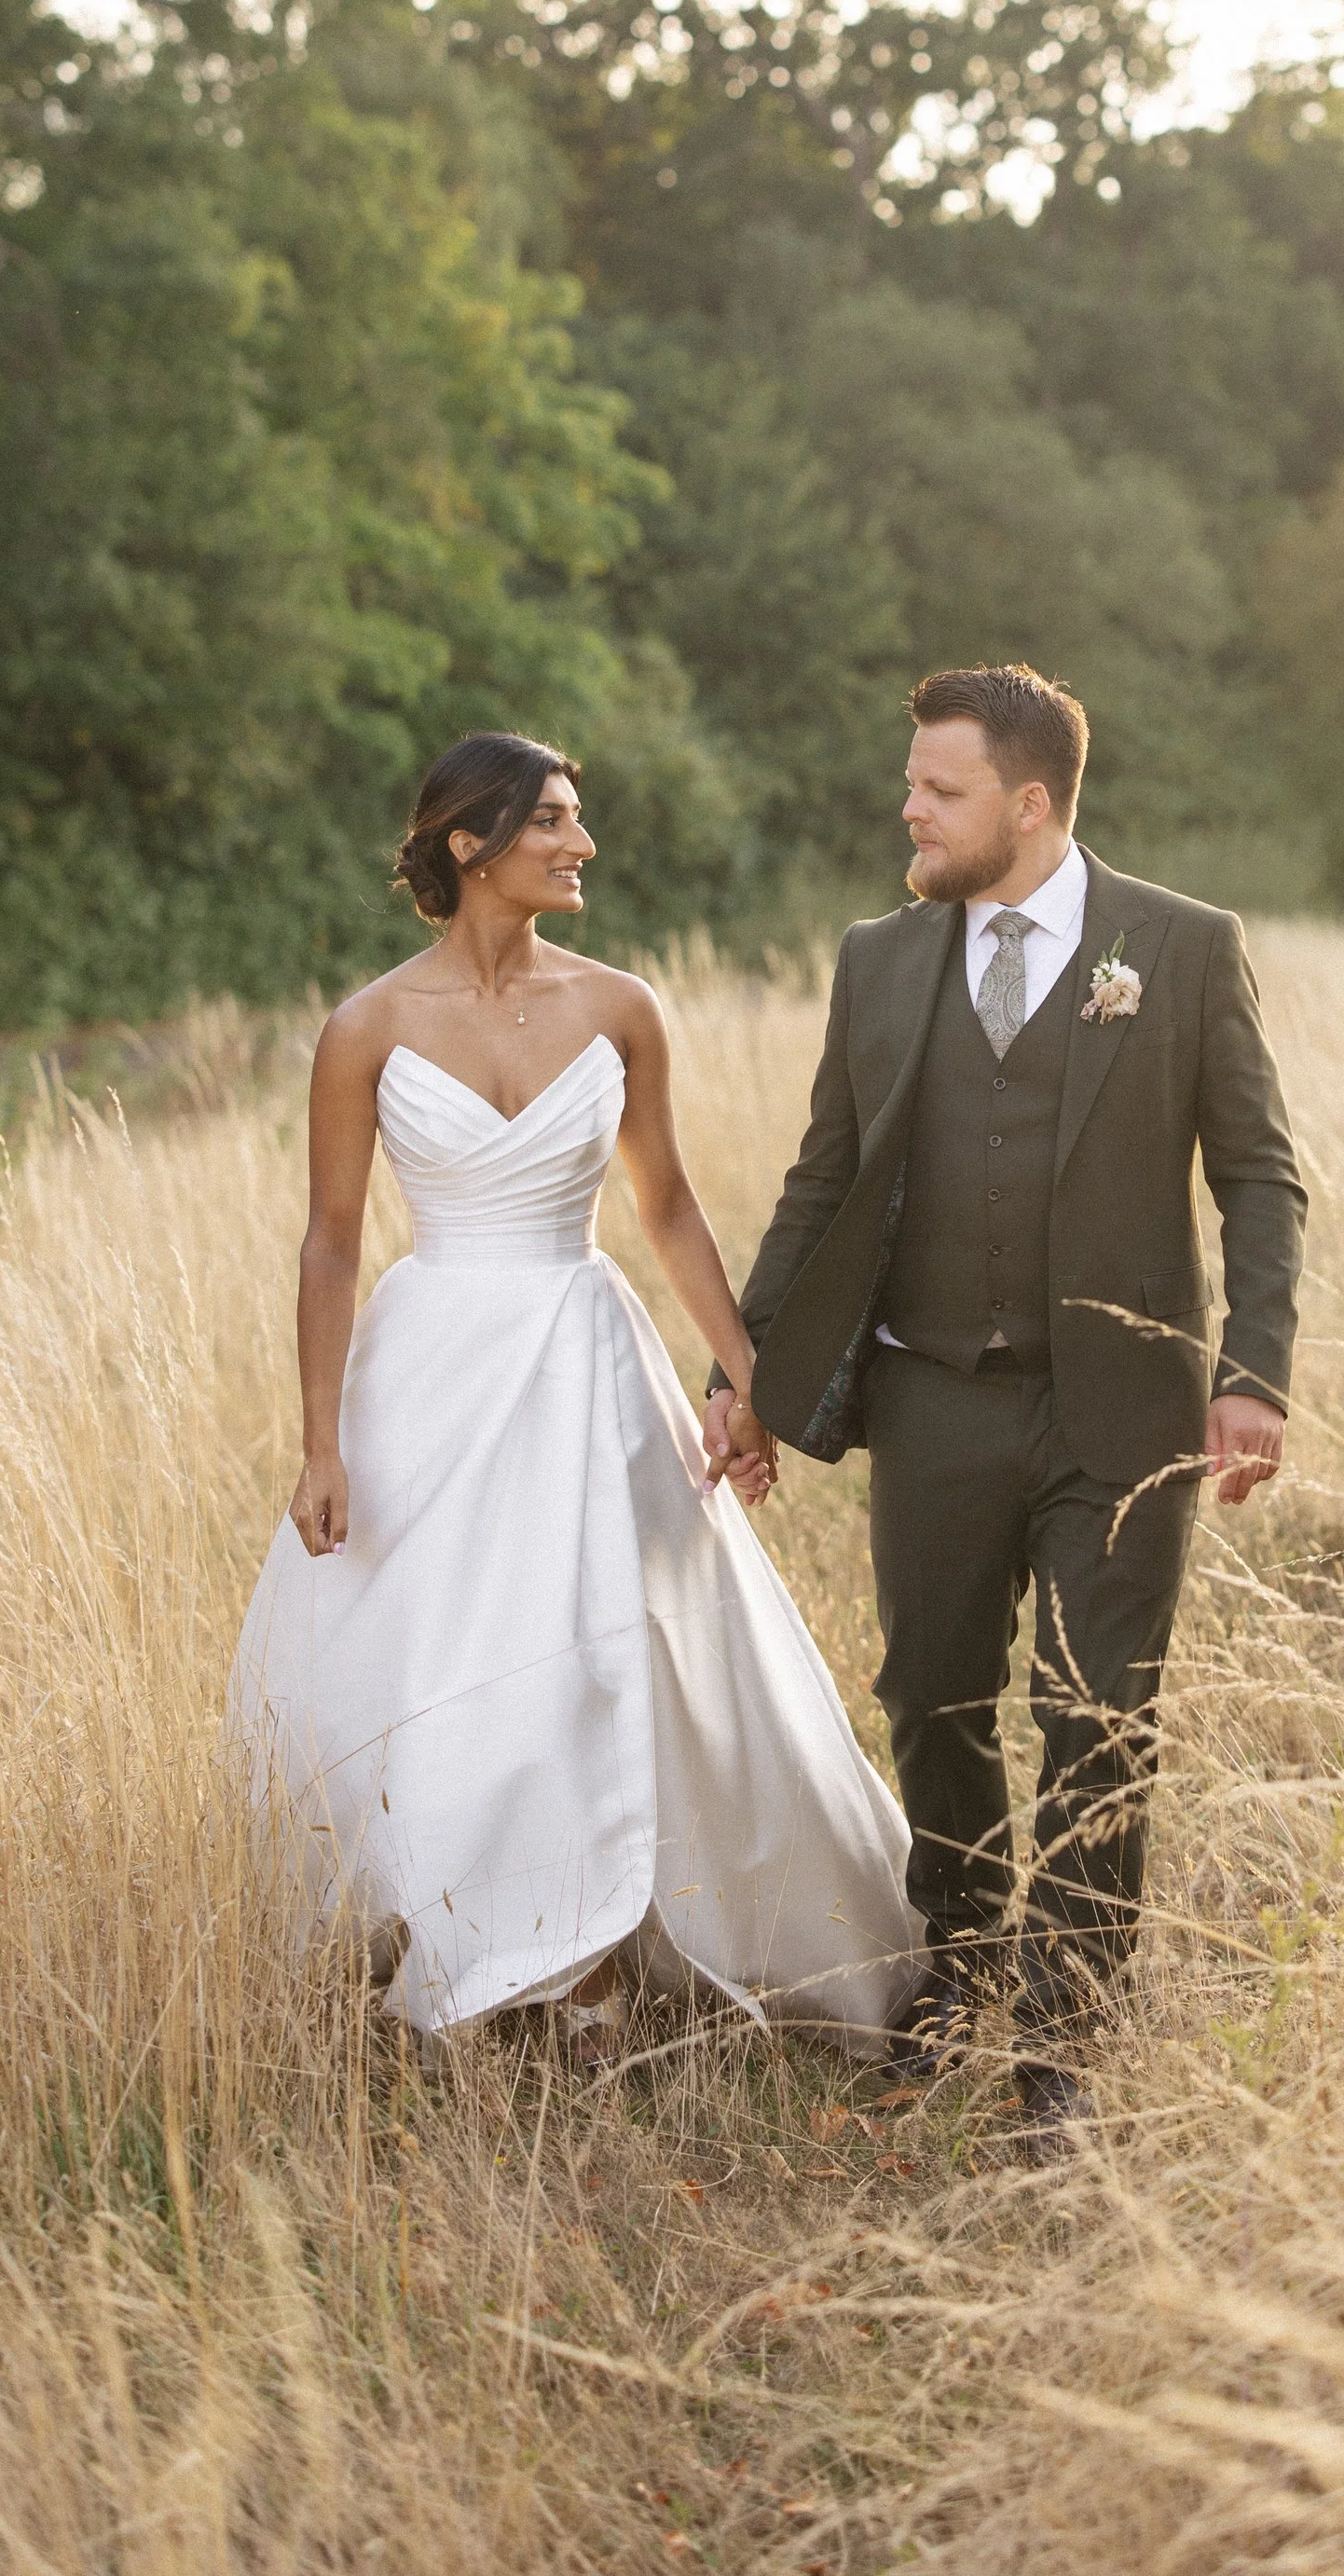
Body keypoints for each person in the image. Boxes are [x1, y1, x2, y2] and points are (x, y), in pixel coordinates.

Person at [228, 732, 920, 2062]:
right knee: (453, 1664)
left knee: (599, 1653)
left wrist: (747, 1386)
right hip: (430, 1370)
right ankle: (481, 1950)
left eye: (576, 818)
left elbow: (666, 1206)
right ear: (469, 841)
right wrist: (320, 1439)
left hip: (583, 1355)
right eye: (551, 820)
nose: (580, 842)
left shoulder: (622, 1007)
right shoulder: (365, 1027)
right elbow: (328, 1239)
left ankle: (597, 1967)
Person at [706, 665, 1306, 2154]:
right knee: (935, 1701)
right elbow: (822, 1178)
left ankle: (1068, 2035)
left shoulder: (1180, 946)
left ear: (1028, 804)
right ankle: (964, 1966)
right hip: (931, 1400)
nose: (909, 808)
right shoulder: (880, 958)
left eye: (941, 789)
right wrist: (748, 1369)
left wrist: (1254, 1372)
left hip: (1122, 1405)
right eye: (913, 784)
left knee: (1101, 1716)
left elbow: (1259, 1175)